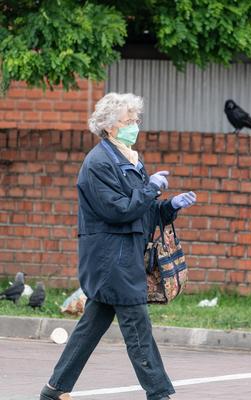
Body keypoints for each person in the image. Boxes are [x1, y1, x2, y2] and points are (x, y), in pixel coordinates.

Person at [40, 92, 196, 400]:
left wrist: (169, 207)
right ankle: (159, 394)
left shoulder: (130, 160)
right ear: (110, 127)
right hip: (110, 260)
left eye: (136, 120)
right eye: (129, 121)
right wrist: (150, 188)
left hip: (123, 257)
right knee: (138, 328)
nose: (135, 125)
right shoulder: (98, 164)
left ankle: (54, 389)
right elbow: (117, 210)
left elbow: (143, 213)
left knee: (89, 329)